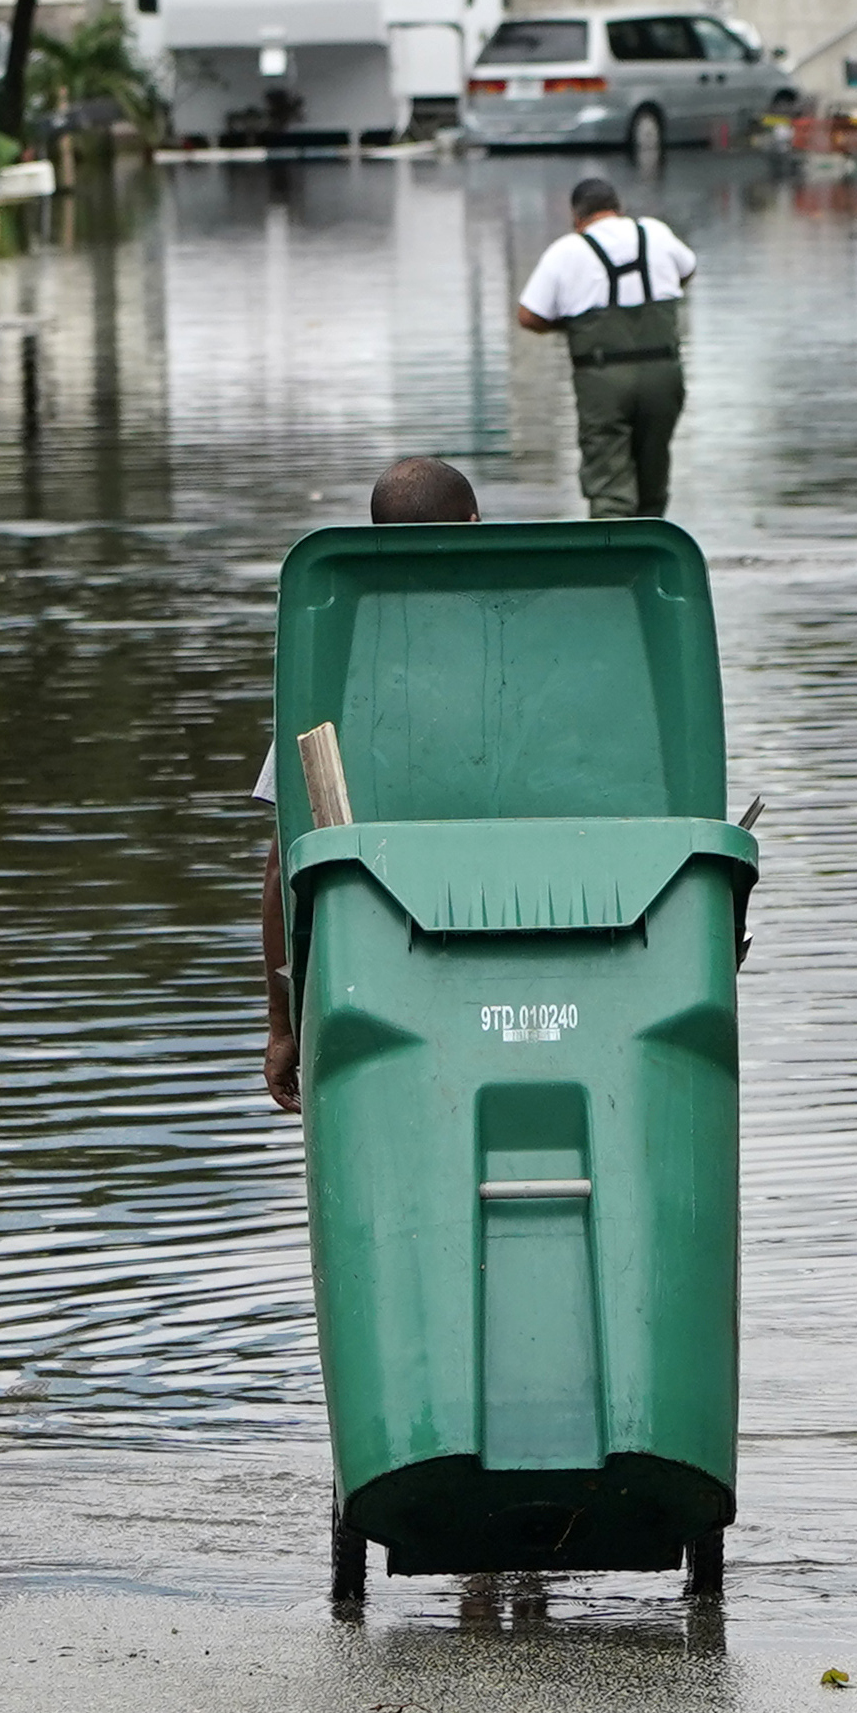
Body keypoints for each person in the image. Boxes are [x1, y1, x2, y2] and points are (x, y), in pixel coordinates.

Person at [261, 455, 478, 1105]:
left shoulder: (336, 672)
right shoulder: (546, 655)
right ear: (475, 525)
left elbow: (283, 867)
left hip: (375, 982)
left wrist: (282, 1025)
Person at [513, 175, 694, 518]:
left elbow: (527, 315)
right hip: (662, 376)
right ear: (618, 209)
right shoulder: (654, 232)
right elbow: (687, 269)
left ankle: (613, 564)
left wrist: (571, 324)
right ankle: (654, 555)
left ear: (576, 218)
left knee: (611, 489)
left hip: (603, 381)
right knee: (653, 478)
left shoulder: (567, 250)